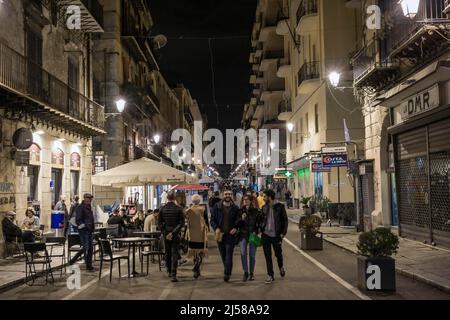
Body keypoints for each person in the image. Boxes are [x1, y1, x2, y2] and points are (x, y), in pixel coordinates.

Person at [210, 189, 240, 282]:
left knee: (229, 254)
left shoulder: (235, 208)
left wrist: (235, 228)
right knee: (223, 254)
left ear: (231, 195)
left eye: (229, 194)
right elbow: (212, 220)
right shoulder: (217, 206)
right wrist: (216, 228)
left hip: (230, 235)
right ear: (223, 195)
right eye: (226, 194)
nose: (228, 195)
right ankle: (227, 269)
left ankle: (227, 273)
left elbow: (238, 220)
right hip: (220, 234)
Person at [261, 189, 288, 284]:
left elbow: (285, 220)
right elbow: (262, 220)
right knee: (267, 256)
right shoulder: (264, 207)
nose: (263, 198)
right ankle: (270, 275)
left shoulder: (280, 207)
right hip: (265, 235)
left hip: (276, 235)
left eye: (264, 196)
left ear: (269, 197)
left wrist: (283, 233)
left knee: (278, 254)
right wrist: (260, 229)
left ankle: (281, 267)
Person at [158, 191, 185, 282]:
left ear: (167, 198)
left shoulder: (162, 209)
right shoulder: (179, 208)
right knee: (174, 253)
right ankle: (174, 274)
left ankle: (169, 271)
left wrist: (166, 233)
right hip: (175, 234)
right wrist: (173, 233)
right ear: (174, 198)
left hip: (166, 235)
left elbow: (159, 223)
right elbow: (181, 223)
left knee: (167, 252)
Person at [238, 195, 262, 282]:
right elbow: (236, 223)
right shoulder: (240, 211)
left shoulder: (256, 211)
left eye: (247, 199)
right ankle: (245, 272)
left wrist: (256, 230)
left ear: (251, 201)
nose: (245, 201)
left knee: (252, 255)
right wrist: (241, 218)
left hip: (252, 234)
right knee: (243, 253)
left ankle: (251, 273)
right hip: (243, 234)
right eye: (244, 200)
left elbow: (259, 223)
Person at [69, 193, 95, 271]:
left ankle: (74, 260)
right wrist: (84, 225)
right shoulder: (80, 207)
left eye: (90, 198)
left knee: (88, 248)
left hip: (89, 230)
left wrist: (92, 228)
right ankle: (88, 266)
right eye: (88, 198)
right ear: (85, 198)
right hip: (84, 231)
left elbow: (90, 219)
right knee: (87, 248)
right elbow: (78, 219)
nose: (90, 199)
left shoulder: (89, 207)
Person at [185, 194, 208, 279]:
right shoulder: (203, 209)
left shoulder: (188, 210)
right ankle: (197, 267)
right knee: (201, 252)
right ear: (200, 201)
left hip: (192, 233)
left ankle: (196, 269)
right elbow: (206, 220)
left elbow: (187, 220)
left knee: (194, 252)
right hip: (201, 233)